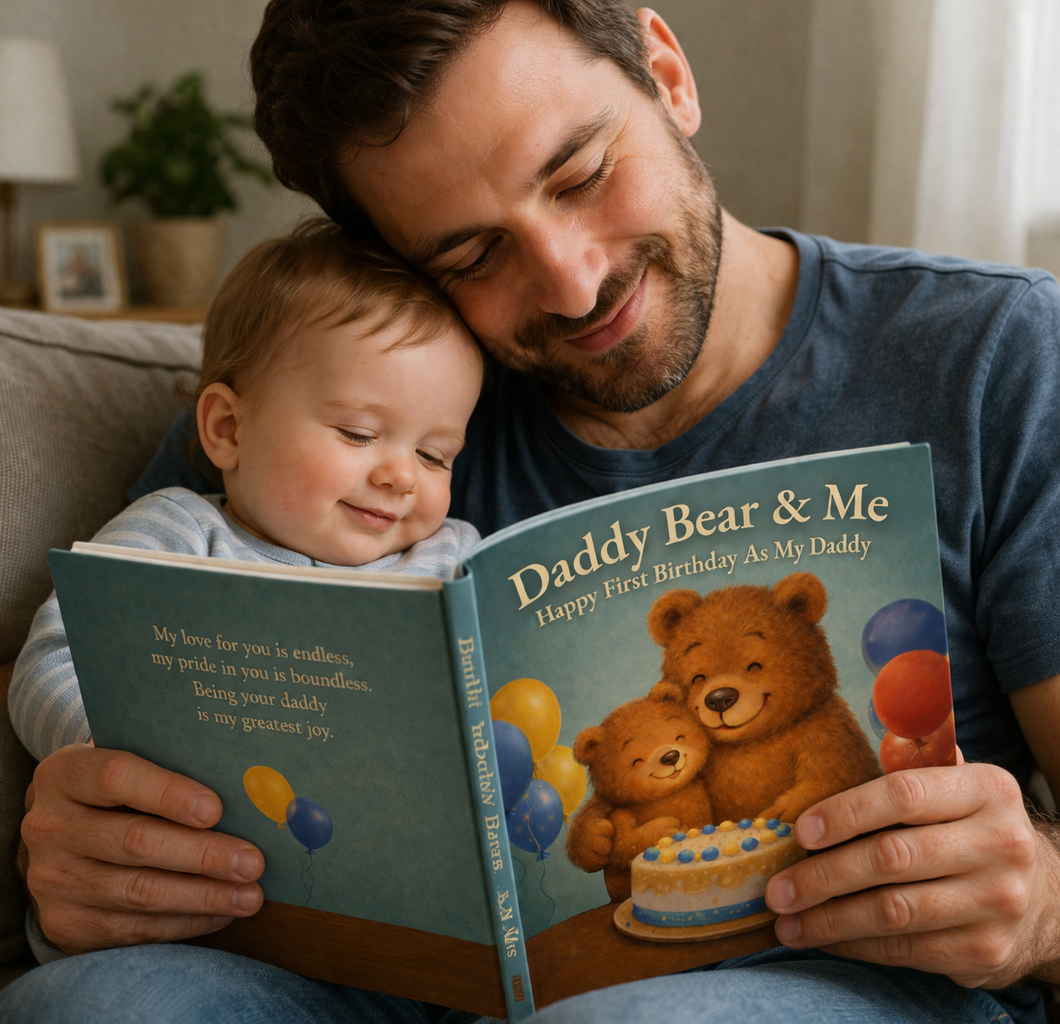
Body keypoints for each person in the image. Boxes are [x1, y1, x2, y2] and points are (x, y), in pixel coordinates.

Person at [5, 2, 1060, 1022]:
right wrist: (84, 824)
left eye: (582, 174)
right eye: (470, 256)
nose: (569, 281)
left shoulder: (995, 354)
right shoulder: (360, 389)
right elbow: (106, 668)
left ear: (667, 73)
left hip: (841, 977)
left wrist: (1040, 912)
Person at [7, 216, 483, 929]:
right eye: (358, 434)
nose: (399, 477)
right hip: (208, 887)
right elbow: (51, 658)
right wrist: (117, 755)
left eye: (436, 455)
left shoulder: (450, 555)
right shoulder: (182, 531)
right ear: (227, 429)